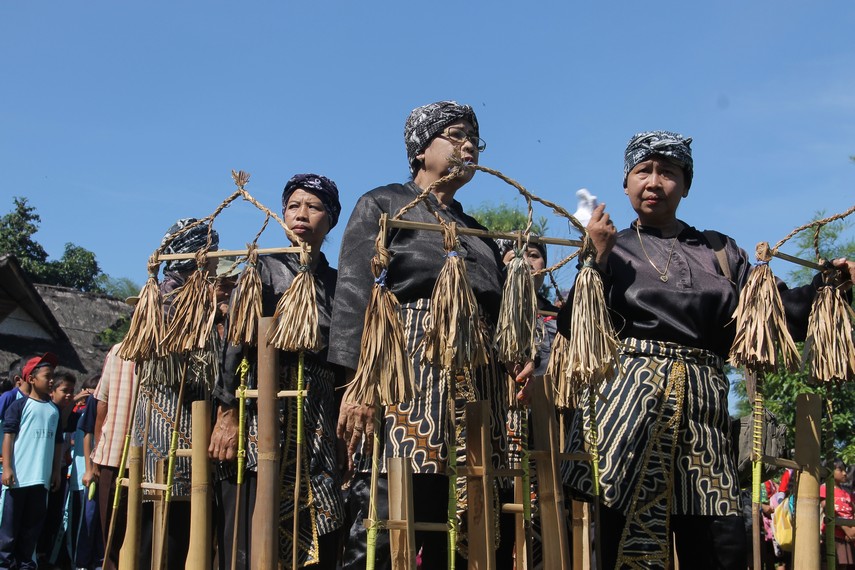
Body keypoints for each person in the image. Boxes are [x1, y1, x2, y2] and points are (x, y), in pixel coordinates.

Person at [558, 130, 855, 569]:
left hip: (703, 414)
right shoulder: (611, 247)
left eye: (668, 172)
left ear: (686, 184)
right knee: (626, 543)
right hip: (628, 412)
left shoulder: (720, 253)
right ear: (626, 184)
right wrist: (595, 261)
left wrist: (826, 287)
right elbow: (574, 327)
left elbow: (774, 314)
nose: (654, 182)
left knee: (722, 543)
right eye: (643, 171)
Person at [332, 101, 525, 568]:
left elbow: (500, 311)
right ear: (420, 150)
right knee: (389, 513)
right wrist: (357, 383)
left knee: (463, 517)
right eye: (455, 135)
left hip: (475, 387)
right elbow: (355, 293)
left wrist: (518, 363)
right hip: (403, 377)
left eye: (474, 138)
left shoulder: (475, 231)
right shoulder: (382, 204)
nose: (468, 146)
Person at [209, 173, 345, 569]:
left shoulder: (338, 284)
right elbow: (235, 344)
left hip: (319, 410)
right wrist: (228, 411)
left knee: (320, 512)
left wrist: (341, 429)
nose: (302, 214)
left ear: (331, 218)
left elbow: (343, 362)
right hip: (263, 402)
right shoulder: (263, 271)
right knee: (254, 507)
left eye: (314, 206)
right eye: (293, 206)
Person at [130, 218, 220, 569]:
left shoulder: (175, 291)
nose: (215, 260)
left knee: (170, 518)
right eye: (212, 252)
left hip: (169, 421)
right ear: (199, 254)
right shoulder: (176, 296)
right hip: (172, 421)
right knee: (165, 522)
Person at [0, 352, 63, 570]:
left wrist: (56, 472)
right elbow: (8, 437)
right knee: (9, 531)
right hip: (19, 479)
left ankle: (26, 565)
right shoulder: (19, 406)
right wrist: (7, 468)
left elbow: (57, 443)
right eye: (47, 376)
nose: (51, 380)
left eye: (53, 376)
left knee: (31, 530)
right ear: (31, 379)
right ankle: (5, 565)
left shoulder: (54, 410)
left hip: (41, 480)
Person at [88, 344, 138, 570]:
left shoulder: (170, 347)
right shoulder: (119, 351)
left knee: (118, 536)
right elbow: (102, 405)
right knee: (114, 535)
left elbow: (102, 404)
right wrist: (98, 452)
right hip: (116, 455)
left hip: (125, 456)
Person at [820, 458, 855, 569]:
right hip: (833, 535)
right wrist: (846, 529)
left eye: (845, 470)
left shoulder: (847, 493)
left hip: (848, 536)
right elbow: (828, 509)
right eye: (840, 470)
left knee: (843, 564)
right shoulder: (824, 488)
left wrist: (853, 531)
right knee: (831, 564)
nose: (845, 473)